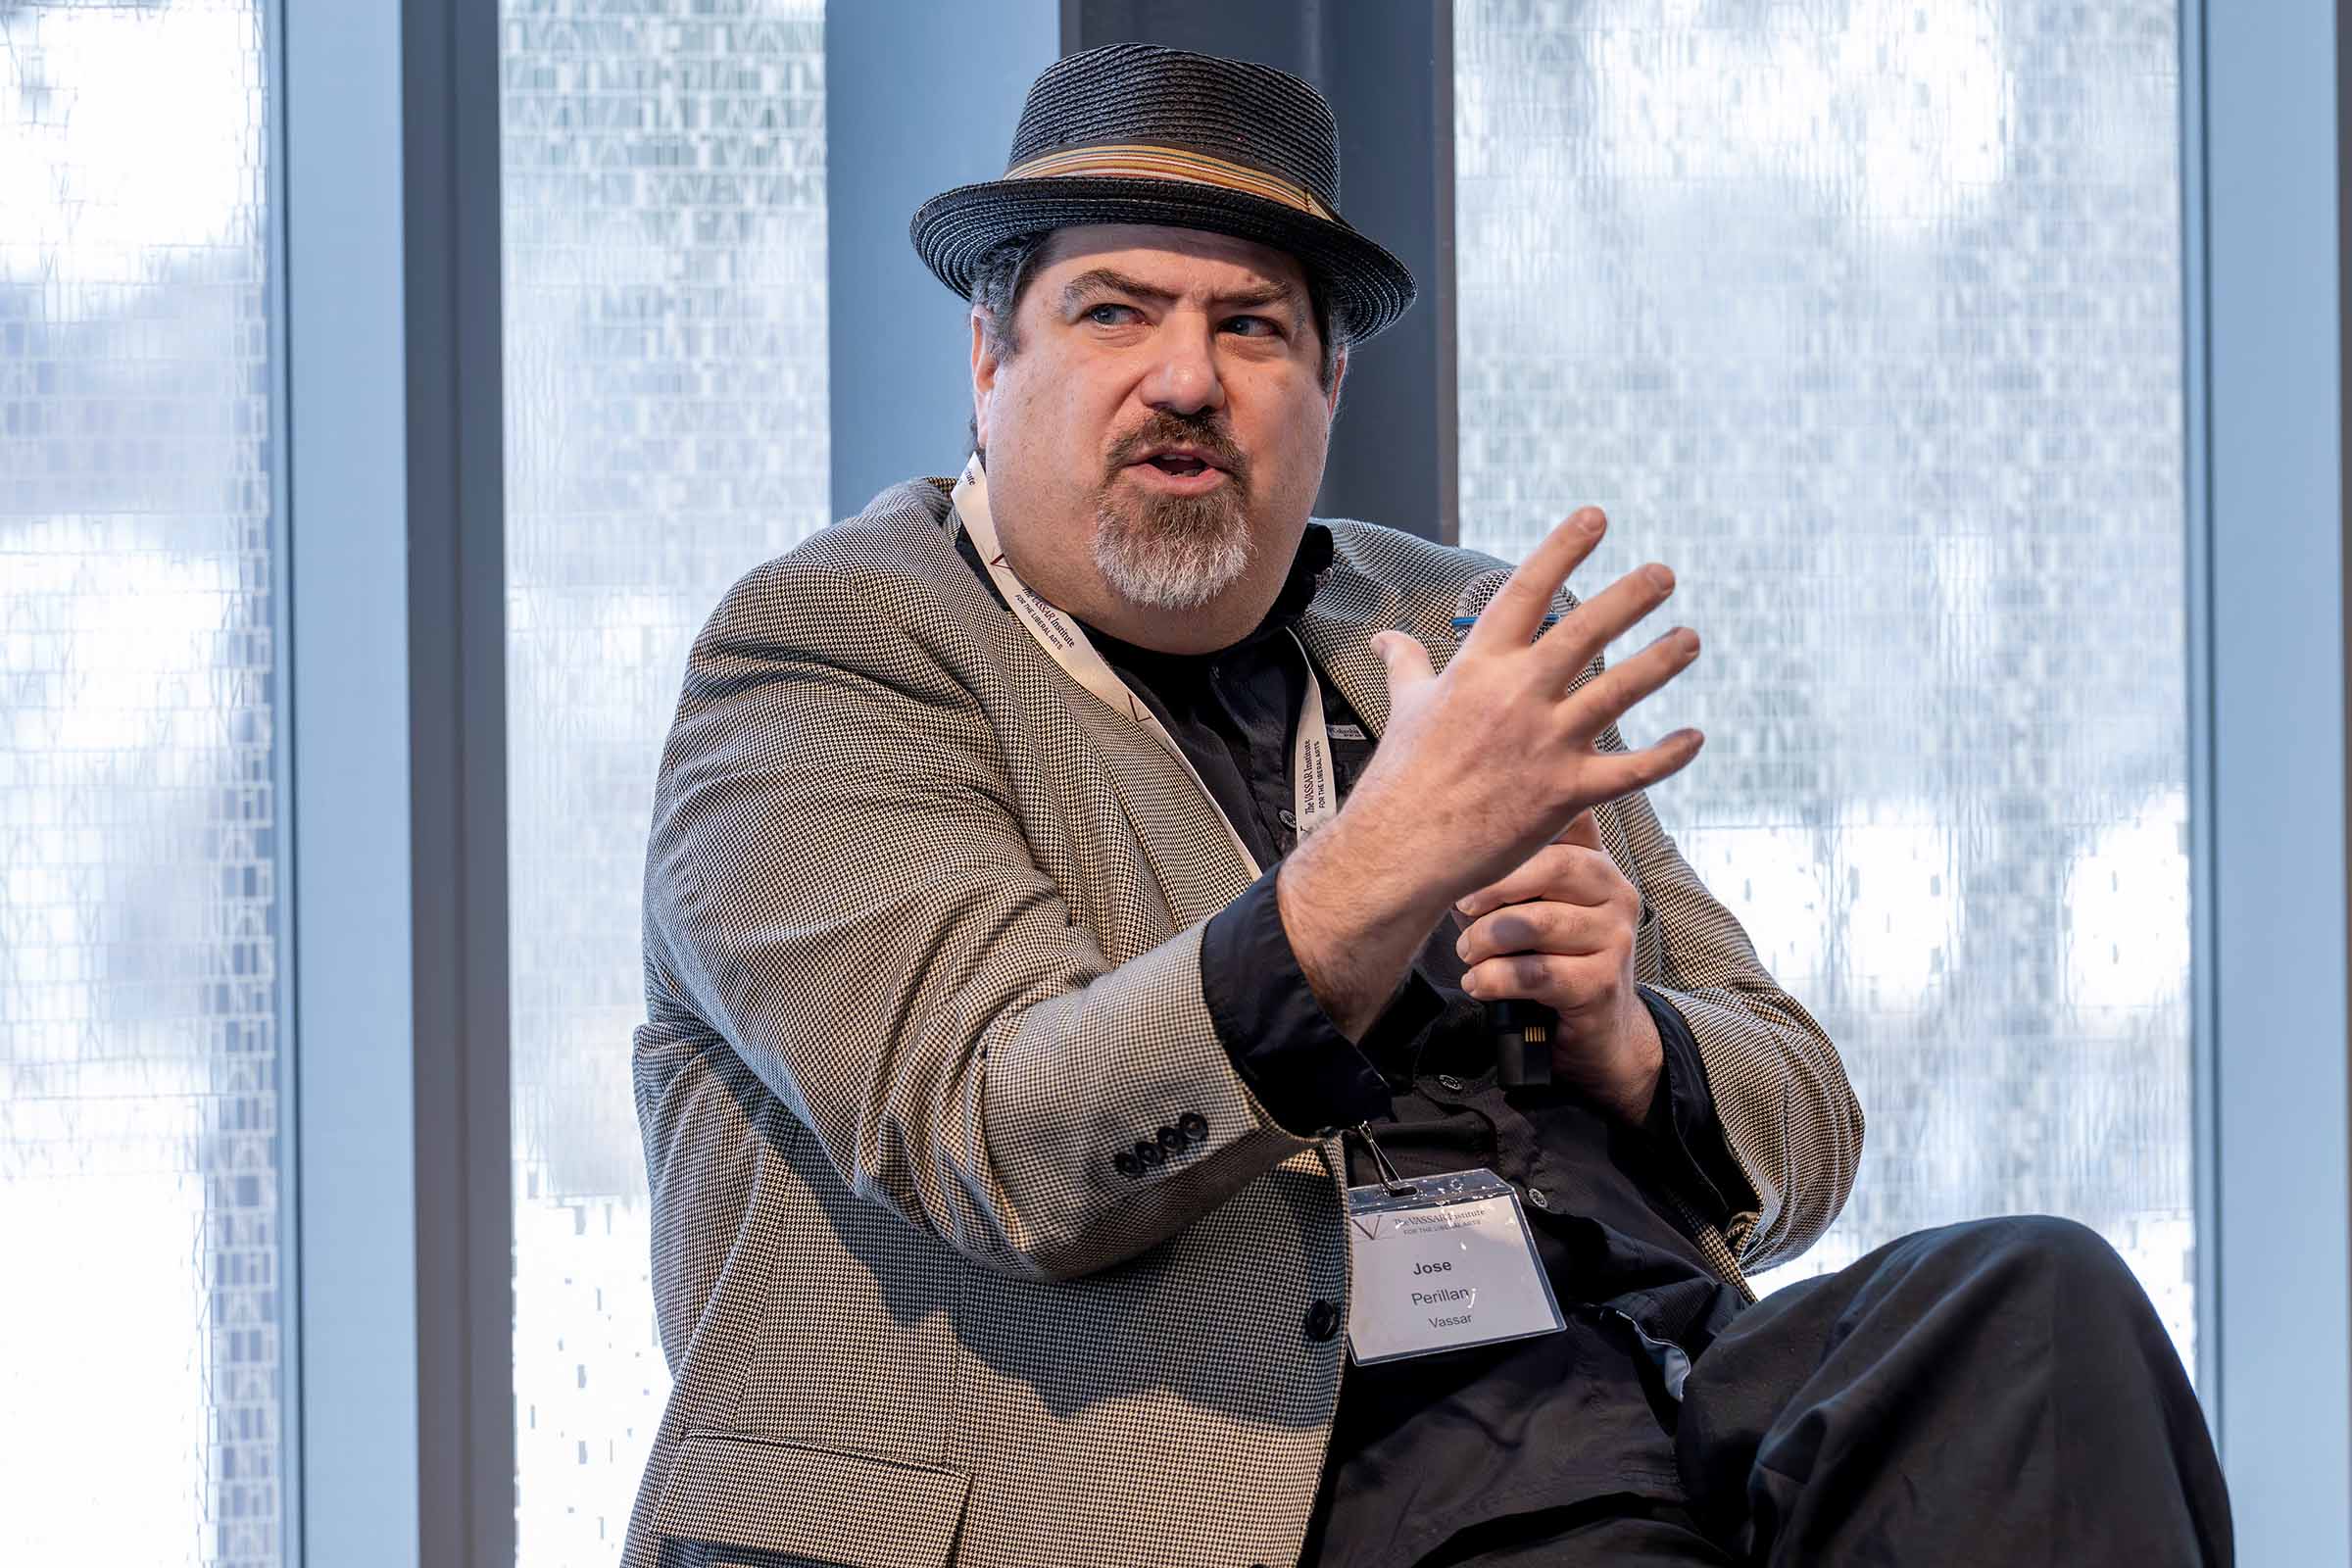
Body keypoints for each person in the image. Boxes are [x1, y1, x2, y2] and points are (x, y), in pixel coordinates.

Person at [621, 43, 2230, 1568]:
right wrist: (1378, 869)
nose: (1187, 377)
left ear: (1328, 380)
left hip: (1654, 1393)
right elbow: (1005, 1138)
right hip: (1232, 1459)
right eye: (1115, 313)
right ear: (992, 358)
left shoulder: (1449, 625)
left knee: (2036, 1309)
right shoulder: (834, 654)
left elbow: (1804, 1115)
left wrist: (1632, 1033)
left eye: (1253, 327)